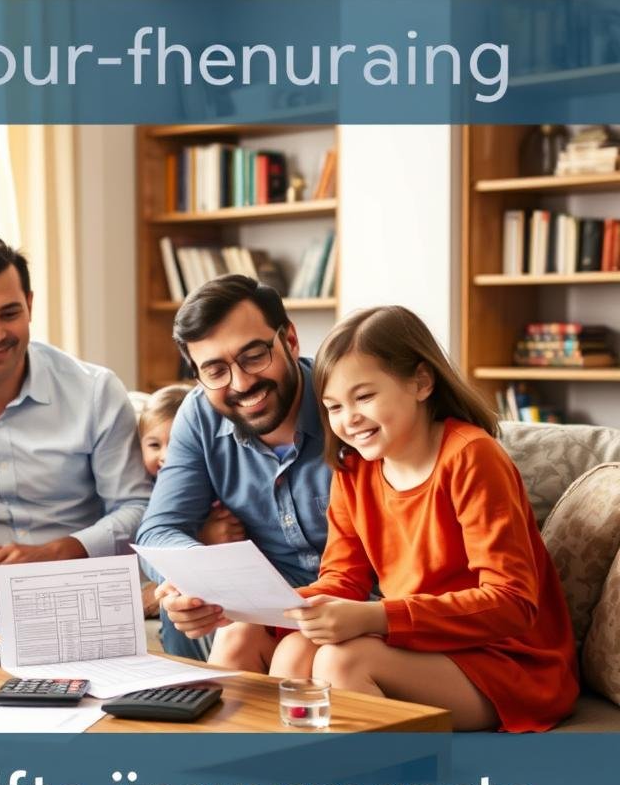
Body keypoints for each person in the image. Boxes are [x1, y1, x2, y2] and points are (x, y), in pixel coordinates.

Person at [214, 305, 579, 732]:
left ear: (421, 382)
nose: (348, 419)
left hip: (506, 659)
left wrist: (378, 617)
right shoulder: (353, 470)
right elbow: (341, 581)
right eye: (333, 406)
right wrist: (246, 605)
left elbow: (511, 604)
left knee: (340, 659)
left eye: (364, 397)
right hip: (419, 644)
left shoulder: (471, 457)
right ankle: (237, 773)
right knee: (255, 637)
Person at [0, 231, 151, 643]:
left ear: (30, 305)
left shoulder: (93, 389)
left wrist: (58, 553)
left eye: (9, 313)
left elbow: (136, 505)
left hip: (77, 580)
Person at [136, 274, 332, 660]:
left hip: (357, 603)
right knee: (220, 630)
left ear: (290, 341)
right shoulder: (198, 412)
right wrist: (194, 583)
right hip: (260, 606)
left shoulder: (342, 400)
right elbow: (159, 530)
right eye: (214, 371)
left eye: (255, 355)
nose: (241, 383)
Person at [137, 384, 245, 617]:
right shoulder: (140, 491)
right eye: (154, 445)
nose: (166, 456)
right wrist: (203, 538)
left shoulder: (210, 487)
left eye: (176, 445)